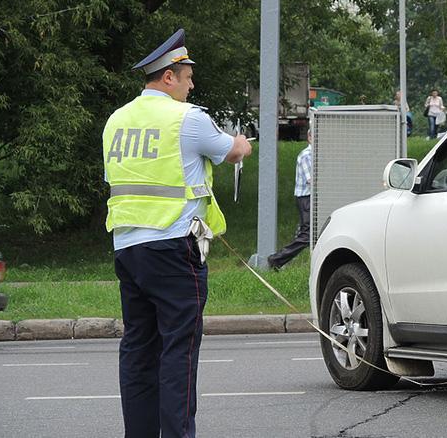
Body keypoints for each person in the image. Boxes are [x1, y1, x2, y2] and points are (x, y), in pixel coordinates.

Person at [102, 28, 252, 438]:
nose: (191, 83)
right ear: (168, 76)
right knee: (178, 351)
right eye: (186, 76)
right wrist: (242, 142)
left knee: (138, 349)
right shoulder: (187, 118)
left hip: (127, 248)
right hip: (173, 249)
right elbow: (233, 151)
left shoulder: (116, 121)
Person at [268, 128, 312, 270]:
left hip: (310, 197)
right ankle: (276, 260)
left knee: (309, 233)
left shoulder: (315, 154)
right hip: (306, 197)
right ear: (310, 137)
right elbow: (312, 180)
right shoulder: (306, 155)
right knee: (307, 235)